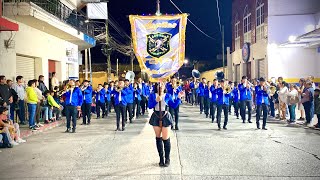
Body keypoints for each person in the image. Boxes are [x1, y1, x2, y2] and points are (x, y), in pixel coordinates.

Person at [148, 82, 182, 167]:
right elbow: (149, 106)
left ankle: (167, 158)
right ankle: (161, 158)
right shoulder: (152, 95)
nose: (161, 86)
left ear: (165, 86)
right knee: (158, 138)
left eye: (162, 84)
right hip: (156, 116)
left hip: (165, 116)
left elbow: (173, 106)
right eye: (159, 84)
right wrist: (156, 100)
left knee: (166, 138)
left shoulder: (168, 95)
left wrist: (178, 98)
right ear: (156, 86)